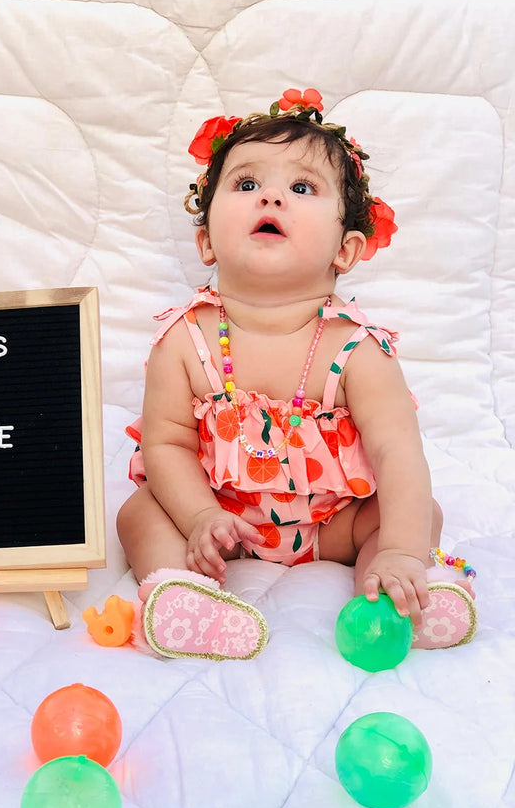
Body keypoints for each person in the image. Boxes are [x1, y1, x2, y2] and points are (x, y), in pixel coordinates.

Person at [113, 88, 477, 661]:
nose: (272, 198)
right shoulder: (184, 341)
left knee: (412, 516)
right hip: (225, 525)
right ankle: (184, 598)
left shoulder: (357, 349)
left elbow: (398, 454)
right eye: (247, 184)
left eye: (302, 188)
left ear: (346, 249)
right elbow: (166, 443)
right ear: (206, 239)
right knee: (138, 513)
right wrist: (201, 516)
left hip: (335, 523)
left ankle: (394, 593)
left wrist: (402, 547)